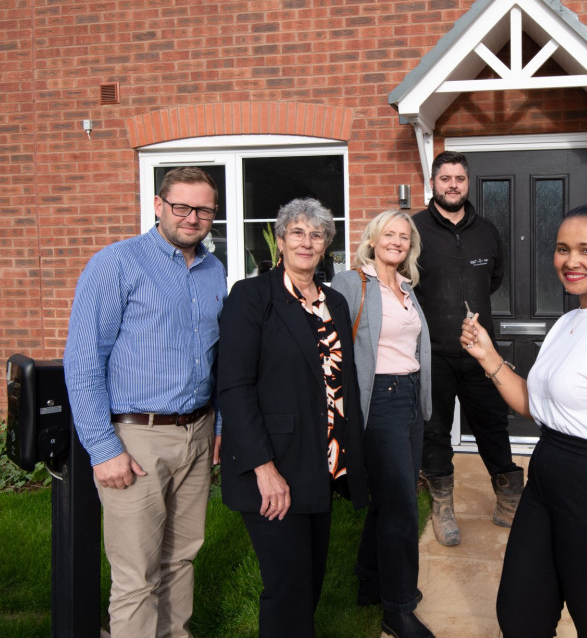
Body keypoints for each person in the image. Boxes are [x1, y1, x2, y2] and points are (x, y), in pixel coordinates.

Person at [460, 204, 587, 636]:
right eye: (562, 249)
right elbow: (535, 406)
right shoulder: (568, 321)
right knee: (520, 616)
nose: (570, 261)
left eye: (586, 250)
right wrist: (487, 355)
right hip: (546, 483)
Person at [63, 166, 226, 637]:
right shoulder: (116, 264)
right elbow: (84, 361)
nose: (193, 218)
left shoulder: (214, 270)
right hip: (135, 439)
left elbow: (218, 356)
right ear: (159, 206)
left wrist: (216, 428)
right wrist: (103, 447)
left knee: (181, 557)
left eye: (204, 210)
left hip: (197, 432)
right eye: (182, 207)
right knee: (136, 574)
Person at [217, 198, 369, 637]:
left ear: (326, 246)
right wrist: (263, 468)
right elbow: (235, 386)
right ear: (280, 240)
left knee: (310, 580)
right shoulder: (252, 297)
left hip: (321, 463)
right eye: (297, 233)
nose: (307, 241)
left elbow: (342, 380)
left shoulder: (334, 302)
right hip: (276, 463)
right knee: (287, 584)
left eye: (316, 234)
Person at [412, 151, 524, 545]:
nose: (453, 184)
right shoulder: (414, 228)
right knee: (435, 429)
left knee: (492, 425)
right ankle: (443, 507)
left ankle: (508, 499)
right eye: (445, 178)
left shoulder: (487, 231)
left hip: (480, 352)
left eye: (460, 177)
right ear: (433, 183)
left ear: (468, 183)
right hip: (432, 352)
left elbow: (493, 279)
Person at [331, 211, 434, 638]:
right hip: (381, 402)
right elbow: (333, 348)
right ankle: (398, 608)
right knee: (401, 509)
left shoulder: (407, 287)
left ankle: (370, 582)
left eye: (404, 237)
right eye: (389, 234)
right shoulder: (351, 282)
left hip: (409, 399)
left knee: (392, 498)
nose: (397, 241)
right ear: (372, 239)